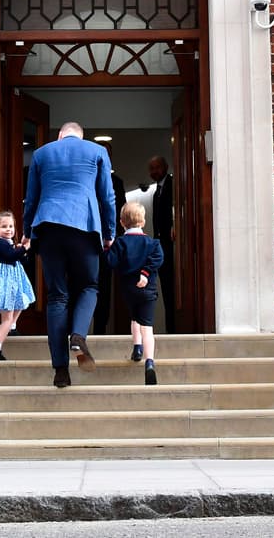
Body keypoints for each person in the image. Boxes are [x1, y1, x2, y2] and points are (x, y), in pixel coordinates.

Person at [21, 121, 117, 388]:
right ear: (80, 135)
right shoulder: (97, 152)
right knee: (88, 286)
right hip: (84, 226)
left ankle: (60, 370)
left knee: (56, 296)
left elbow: (31, 198)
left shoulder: (41, 153)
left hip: (48, 226)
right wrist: (109, 232)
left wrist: (27, 231)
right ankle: (78, 335)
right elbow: (107, 197)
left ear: (61, 135)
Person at [105, 201, 164, 385]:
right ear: (143, 222)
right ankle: (149, 362)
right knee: (147, 326)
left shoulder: (121, 243)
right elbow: (158, 258)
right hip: (147, 291)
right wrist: (146, 273)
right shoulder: (152, 244)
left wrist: (108, 247)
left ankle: (137, 348)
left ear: (122, 222)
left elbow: (110, 262)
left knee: (134, 318)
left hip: (129, 290)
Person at [0, 210, 35, 360]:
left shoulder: (9, 244)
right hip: (6, 284)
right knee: (7, 318)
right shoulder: (0, 244)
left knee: (22, 302)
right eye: (4, 226)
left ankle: (12, 327)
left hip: (14, 283)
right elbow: (11, 256)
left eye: (11, 226)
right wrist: (23, 248)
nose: (9, 229)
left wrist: (22, 251)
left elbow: (22, 261)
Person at [91, 170, 127, 336]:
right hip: (86, 241)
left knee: (104, 288)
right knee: (82, 286)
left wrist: (115, 237)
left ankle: (100, 330)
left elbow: (121, 210)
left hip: (108, 244)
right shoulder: (86, 176)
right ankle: (76, 332)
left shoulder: (117, 182)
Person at [148, 155, 176, 334]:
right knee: (165, 287)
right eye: (151, 169)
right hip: (161, 246)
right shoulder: (156, 190)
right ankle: (170, 328)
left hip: (172, 245)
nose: (154, 172)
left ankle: (174, 329)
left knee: (172, 288)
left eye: (157, 167)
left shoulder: (173, 185)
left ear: (165, 167)